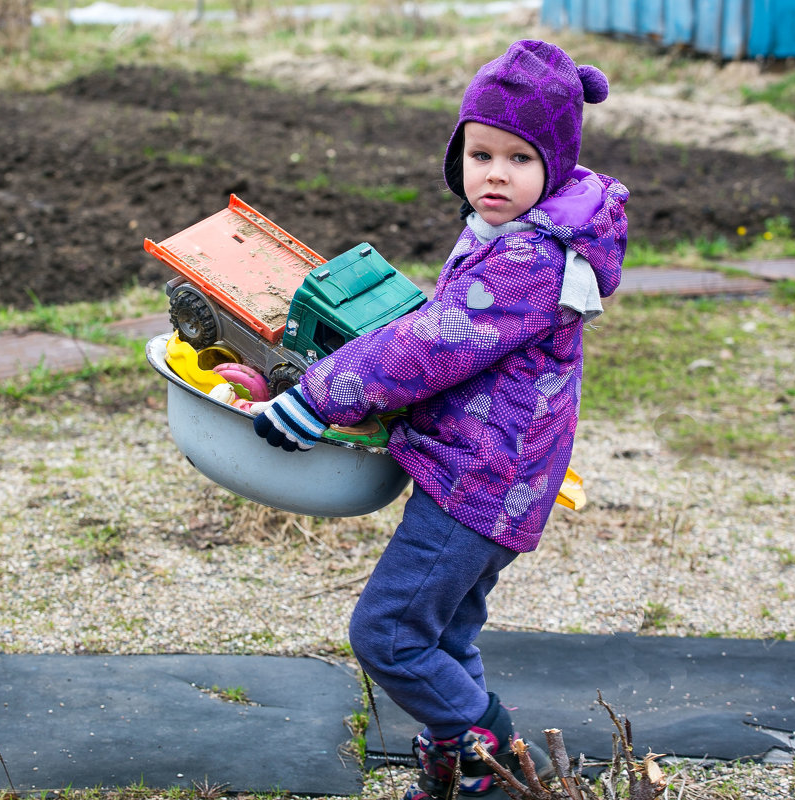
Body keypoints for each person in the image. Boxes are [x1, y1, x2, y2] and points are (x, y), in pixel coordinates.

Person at [252, 39, 629, 799]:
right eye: (479, 152)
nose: (494, 173)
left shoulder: (536, 258)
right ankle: (469, 778)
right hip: (495, 470)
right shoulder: (512, 229)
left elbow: (433, 342)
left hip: (479, 480)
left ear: (552, 167)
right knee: (445, 635)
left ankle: (486, 746)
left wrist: (321, 394)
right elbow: (442, 325)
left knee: (387, 634)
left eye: (519, 158)